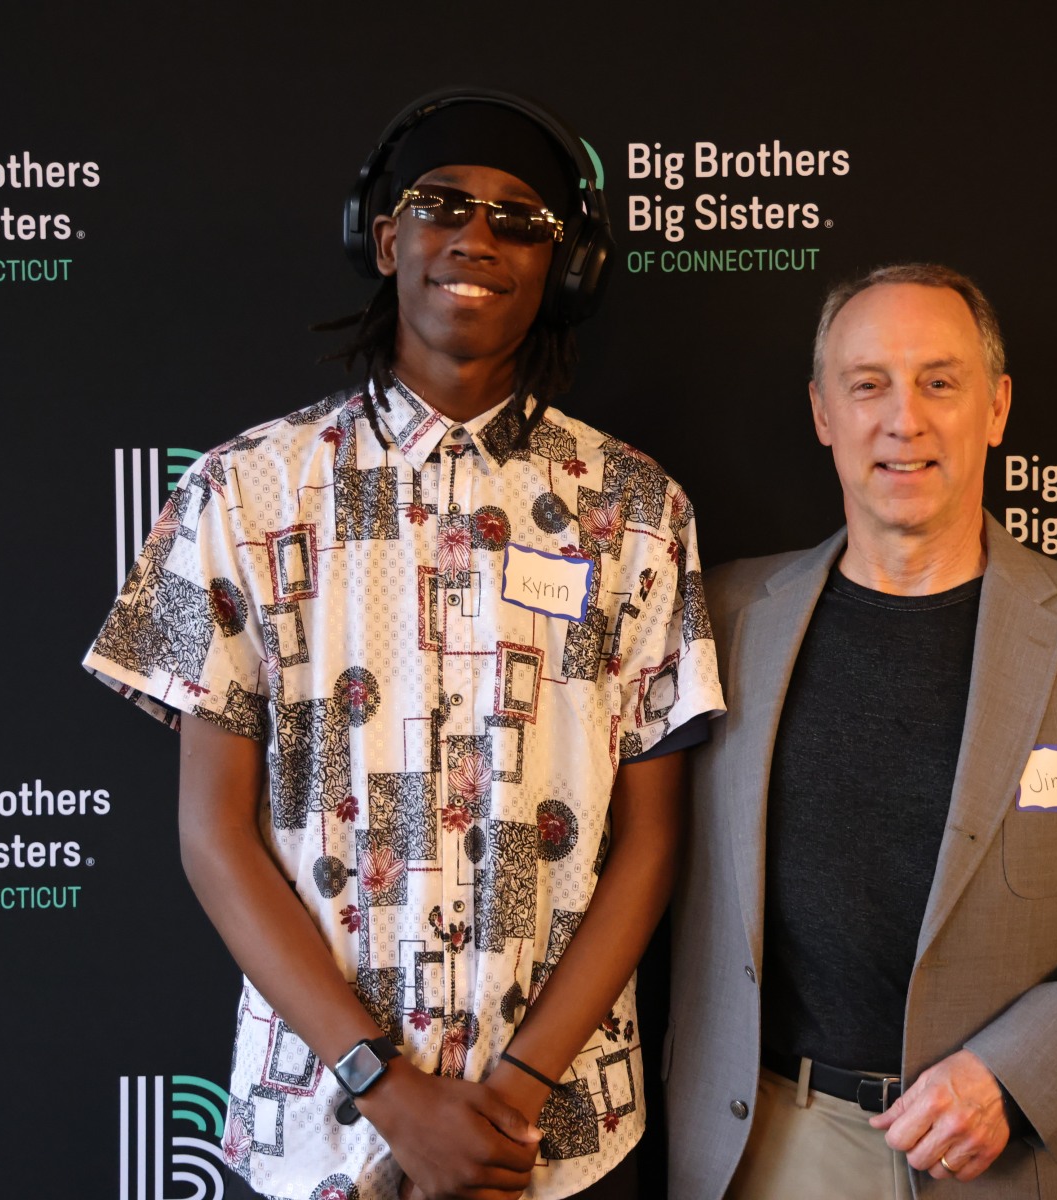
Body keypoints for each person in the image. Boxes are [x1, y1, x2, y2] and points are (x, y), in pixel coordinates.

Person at [83, 88, 721, 1200]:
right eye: (442, 206)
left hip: (553, 1137)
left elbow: (649, 844)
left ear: (564, 268)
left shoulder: (636, 509)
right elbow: (212, 834)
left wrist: (512, 1095)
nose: (476, 238)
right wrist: (386, 1089)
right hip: (322, 1130)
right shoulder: (242, 492)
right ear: (385, 240)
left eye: (519, 220)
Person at [665, 263, 1057, 1199]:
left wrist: (1012, 1075)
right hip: (768, 1145)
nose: (904, 420)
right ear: (822, 412)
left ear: (996, 407)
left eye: (939, 382)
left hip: (1008, 1160)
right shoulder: (724, 616)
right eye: (868, 385)